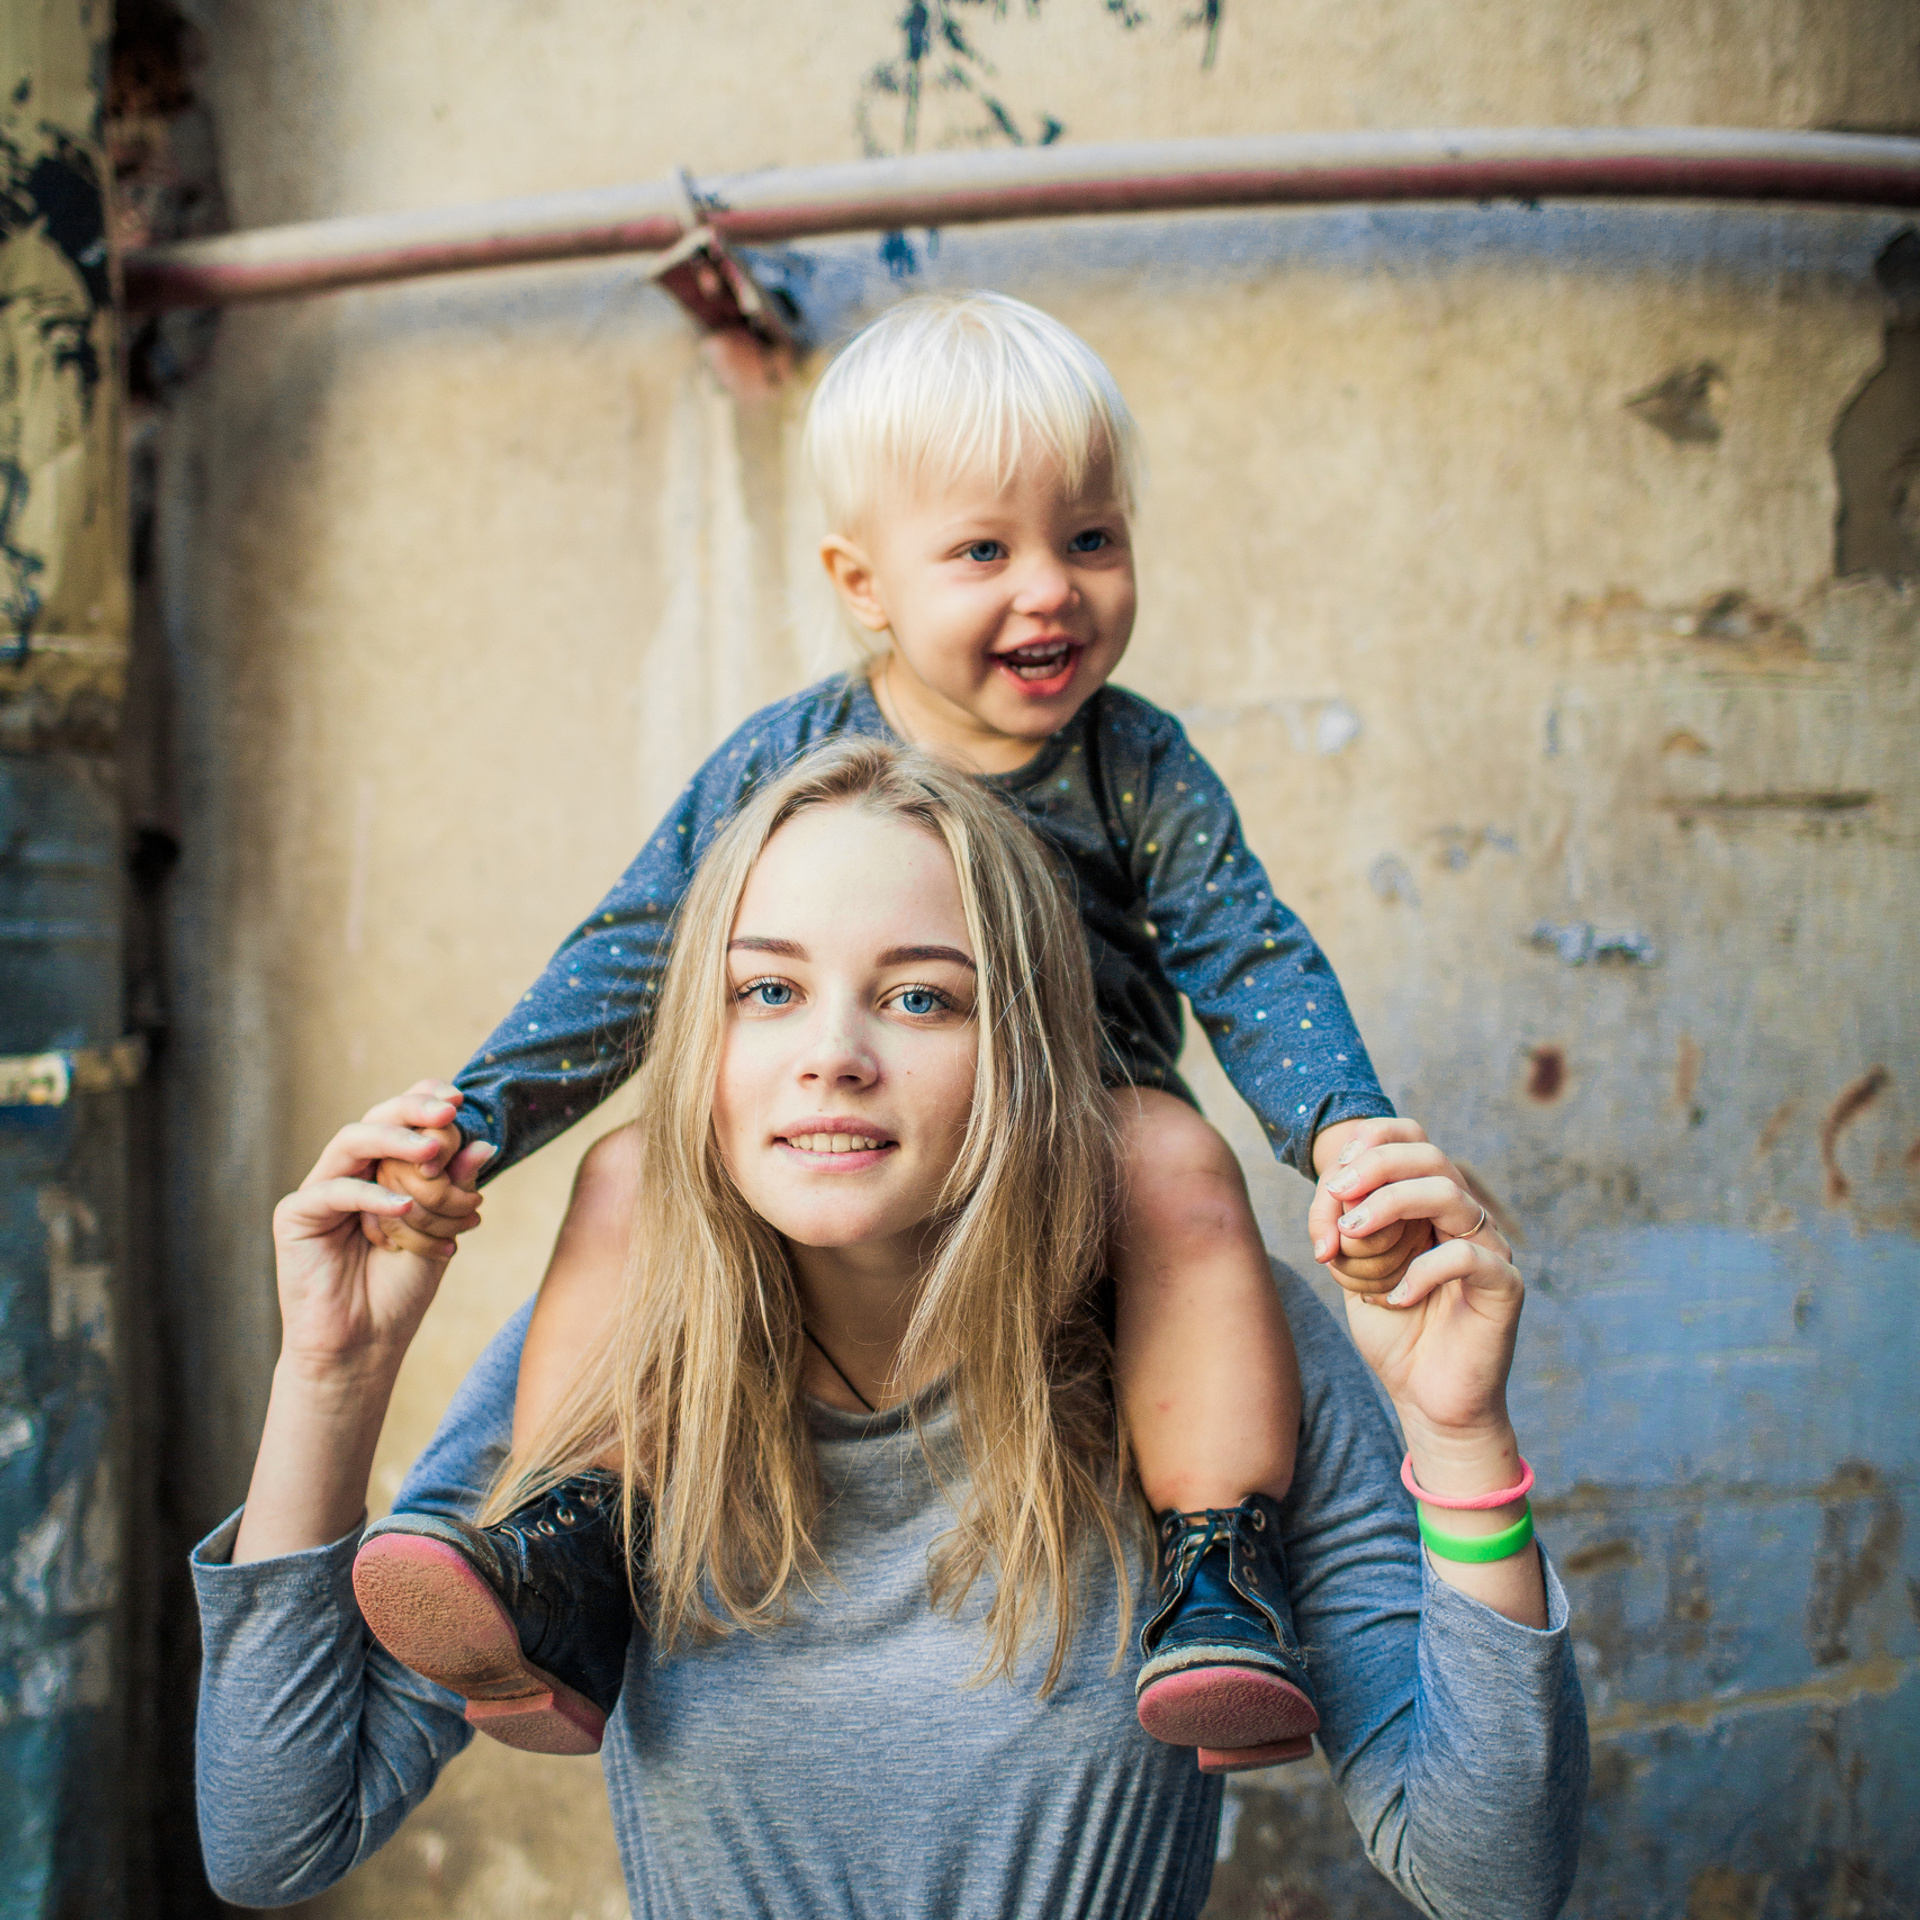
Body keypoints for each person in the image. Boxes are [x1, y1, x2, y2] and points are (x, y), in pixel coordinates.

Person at [195, 742, 1587, 1919]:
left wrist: (1461, 1440)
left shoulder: (1211, 1344)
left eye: (923, 995)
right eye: (767, 990)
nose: (834, 1053)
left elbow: (1490, 1876)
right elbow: (275, 1841)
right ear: (703, 1044)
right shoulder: (627, 1345)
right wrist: (333, 1373)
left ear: (1030, 1050)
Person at [356, 292, 1460, 1761]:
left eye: (1090, 538)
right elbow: (637, 952)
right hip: (852, 1159)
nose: (1052, 589)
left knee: (1179, 1159)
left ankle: (1219, 1576)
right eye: (984, 552)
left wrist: (1344, 1136)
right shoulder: (787, 760)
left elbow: (1247, 953)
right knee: (631, 1176)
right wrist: (482, 1119)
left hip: (1070, 1150)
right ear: (864, 584)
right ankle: (577, 1547)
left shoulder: (1135, 764)